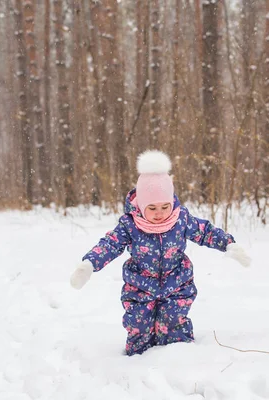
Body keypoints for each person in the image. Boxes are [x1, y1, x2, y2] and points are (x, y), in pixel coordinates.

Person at [70, 150, 251, 356]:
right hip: (140, 288)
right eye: (153, 208)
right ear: (141, 205)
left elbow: (205, 231)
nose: (160, 213)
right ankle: (136, 368)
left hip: (177, 285)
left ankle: (177, 364)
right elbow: (110, 245)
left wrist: (228, 244)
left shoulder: (180, 219)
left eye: (165, 206)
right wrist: (89, 264)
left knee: (174, 328)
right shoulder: (130, 225)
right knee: (139, 330)